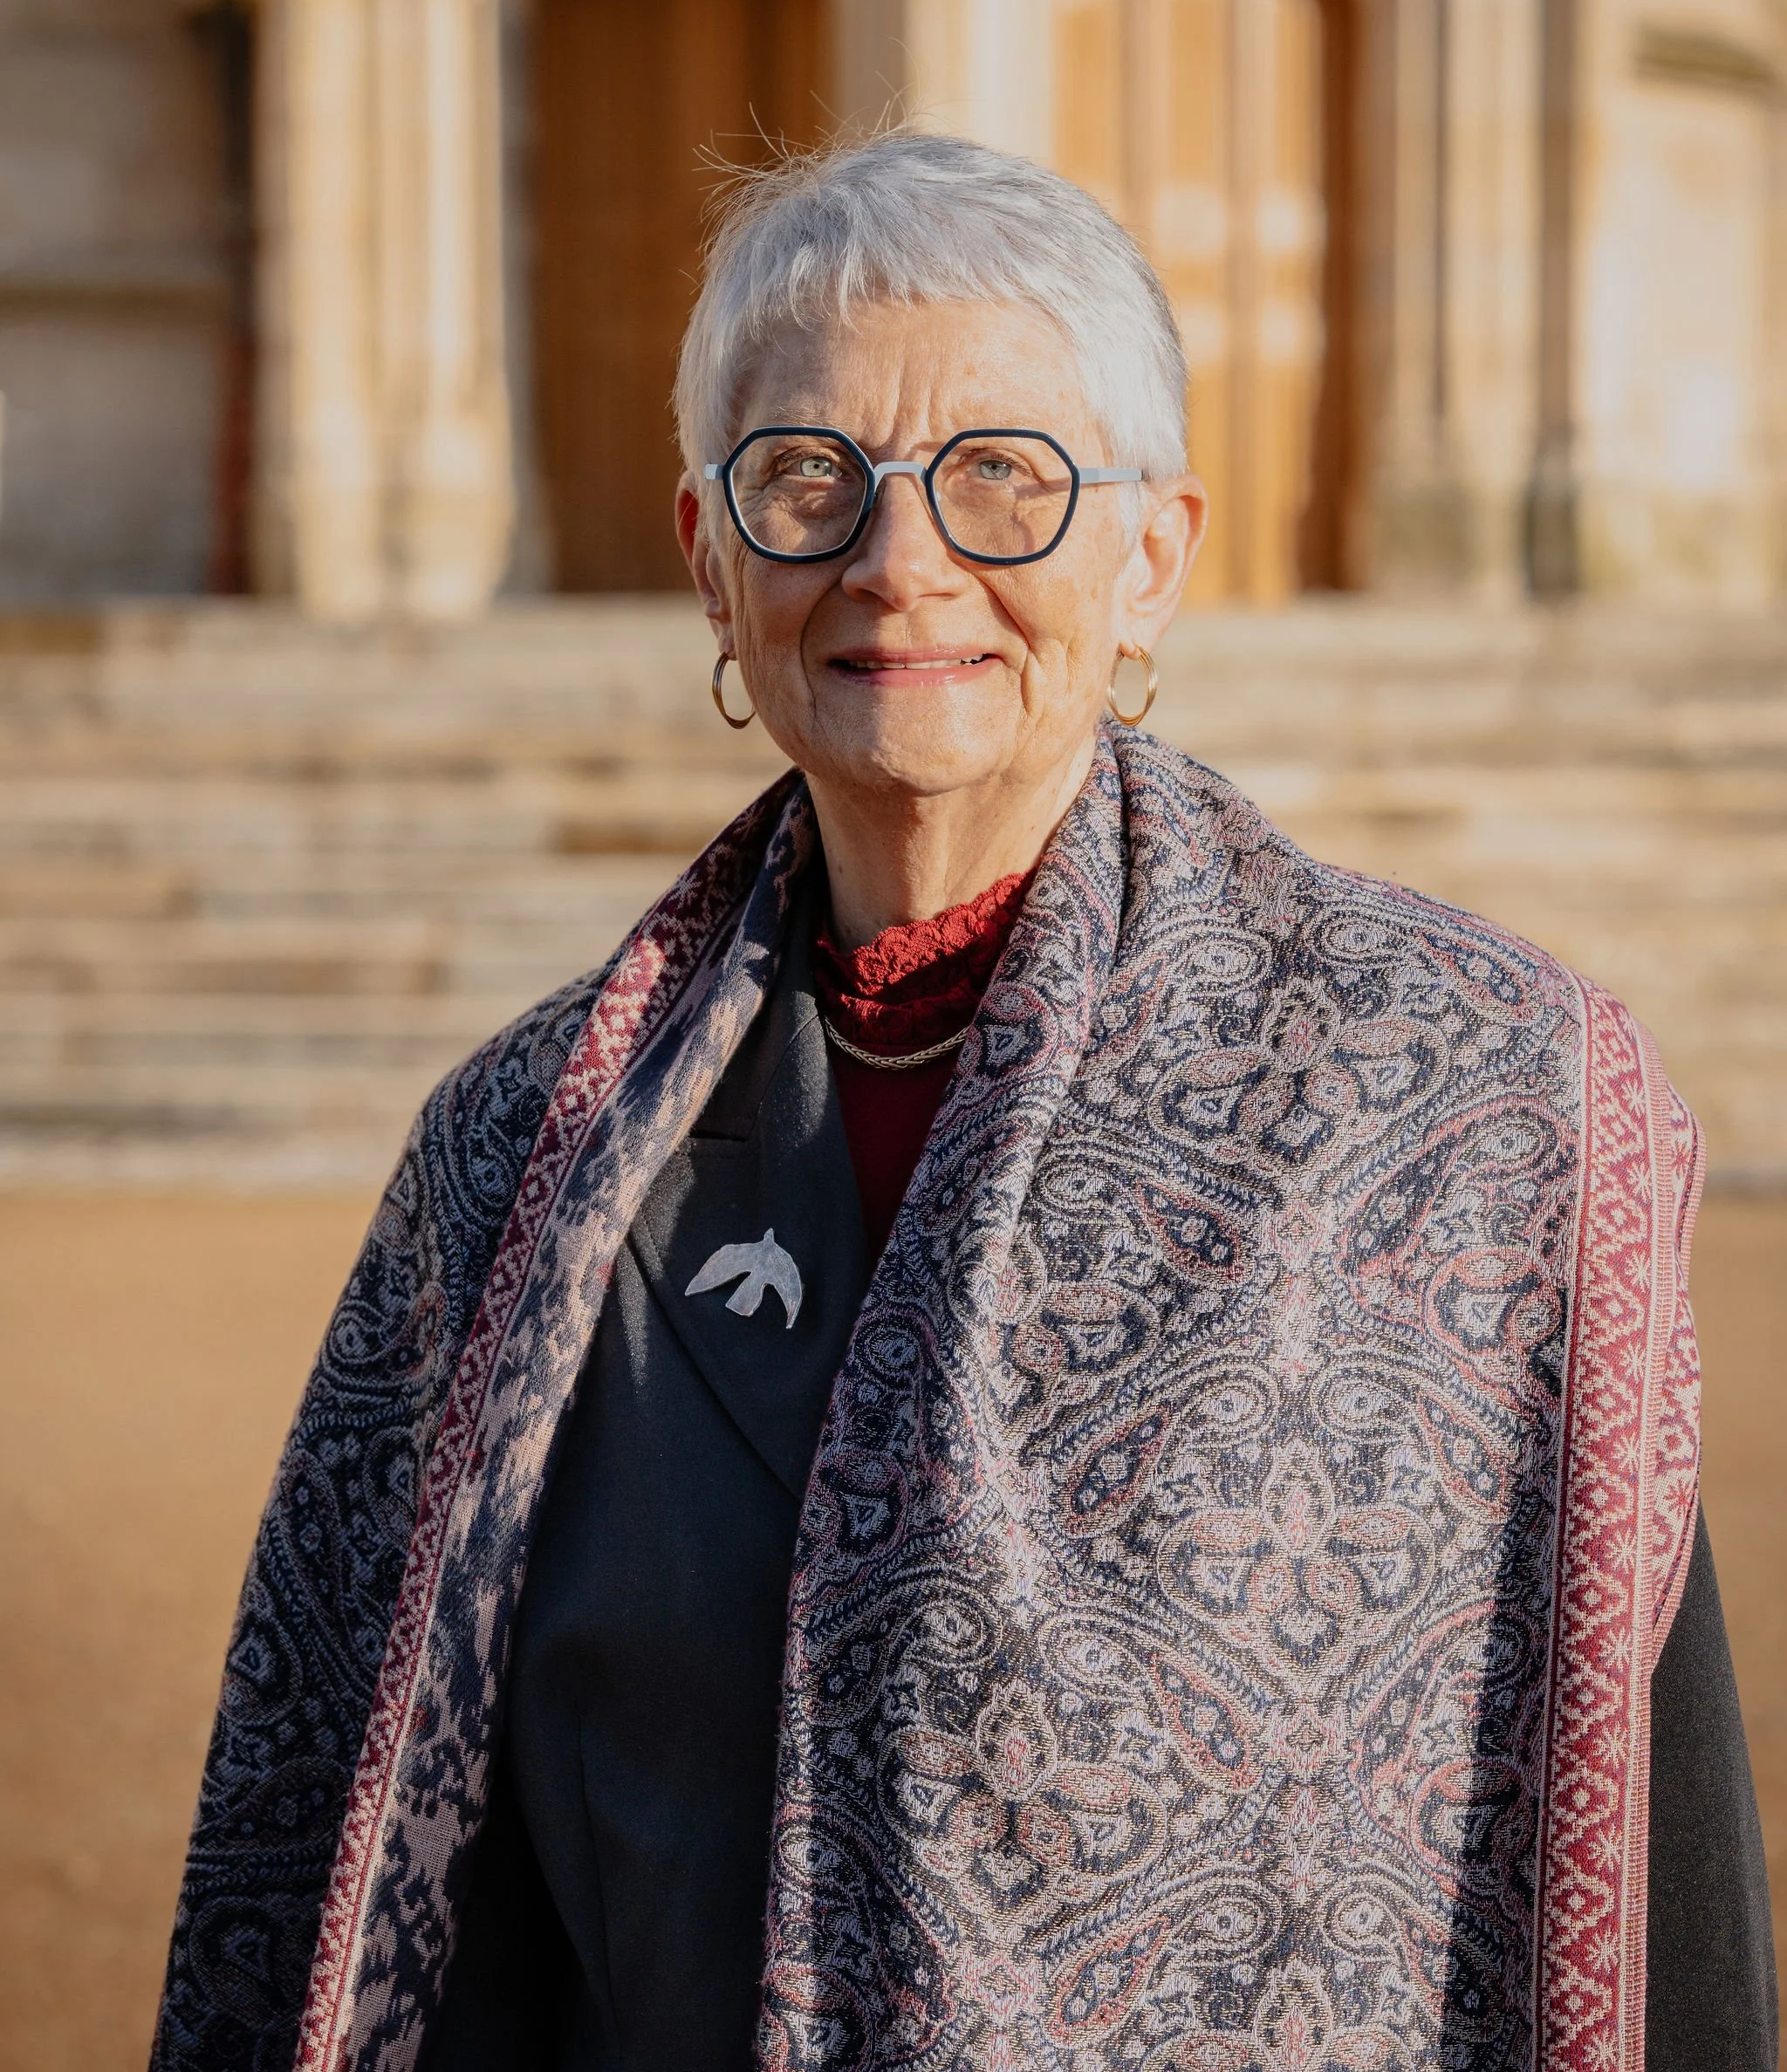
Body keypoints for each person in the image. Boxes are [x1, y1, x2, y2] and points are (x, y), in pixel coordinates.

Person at [151, 131, 1775, 2072]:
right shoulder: (507, 1166)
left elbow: (1661, 1900)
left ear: (1150, 552)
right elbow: (382, 1870)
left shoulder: (1483, 1115)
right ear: (709, 558)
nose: (900, 560)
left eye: (1002, 477)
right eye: (806, 478)